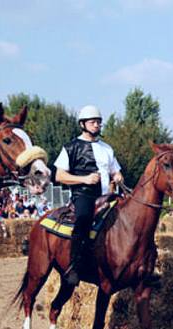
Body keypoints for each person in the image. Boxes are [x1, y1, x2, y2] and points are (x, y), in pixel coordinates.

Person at [54, 105, 123, 286]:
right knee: (83, 219)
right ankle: (74, 267)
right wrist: (84, 179)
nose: (97, 125)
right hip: (83, 195)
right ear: (83, 124)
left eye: (99, 122)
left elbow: (116, 171)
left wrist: (117, 176)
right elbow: (59, 176)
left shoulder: (107, 148)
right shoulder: (70, 147)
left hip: (107, 195)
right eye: (93, 122)